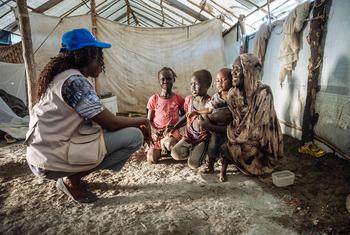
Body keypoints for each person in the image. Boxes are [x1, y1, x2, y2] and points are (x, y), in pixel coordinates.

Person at [25, 28, 152, 203]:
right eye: (98, 56)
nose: (101, 62)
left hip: (42, 156)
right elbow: (112, 124)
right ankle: (71, 180)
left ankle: (71, 176)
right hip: (49, 162)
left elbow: (102, 121)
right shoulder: (75, 82)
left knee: (111, 133)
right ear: (87, 56)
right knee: (134, 136)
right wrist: (143, 120)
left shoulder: (60, 77)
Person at [221, 53, 283, 180]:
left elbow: (258, 128)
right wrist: (235, 134)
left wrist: (236, 137)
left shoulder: (263, 92)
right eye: (232, 69)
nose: (233, 73)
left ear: (248, 71)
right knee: (227, 147)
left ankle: (258, 164)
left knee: (248, 150)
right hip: (244, 135)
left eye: (237, 70)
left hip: (262, 139)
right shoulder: (232, 93)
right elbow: (236, 120)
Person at [189, 68, 233, 179]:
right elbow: (208, 109)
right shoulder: (216, 97)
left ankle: (223, 172)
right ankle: (210, 166)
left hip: (228, 130)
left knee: (225, 150)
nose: (221, 83)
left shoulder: (233, 96)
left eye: (224, 80)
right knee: (212, 148)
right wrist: (197, 111)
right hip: (215, 129)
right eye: (218, 80)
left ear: (232, 80)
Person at [170, 70, 212, 169]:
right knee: (175, 153)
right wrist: (175, 127)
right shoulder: (189, 99)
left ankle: (202, 151)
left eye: (196, 84)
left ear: (207, 85)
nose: (192, 87)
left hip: (202, 139)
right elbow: (186, 116)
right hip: (188, 137)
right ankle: (195, 151)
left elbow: (210, 121)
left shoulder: (210, 103)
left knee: (193, 164)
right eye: (191, 84)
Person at [146, 67, 185, 164]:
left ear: (173, 80)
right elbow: (149, 120)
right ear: (159, 81)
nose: (165, 81)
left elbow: (186, 117)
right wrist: (155, 131)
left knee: (171, 144)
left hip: (171, 132)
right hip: (157, 134)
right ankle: (162, 148)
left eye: (169, 78)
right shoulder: (154, 99)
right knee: (151, 159)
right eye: (162, 79)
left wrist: (174, 127)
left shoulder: (179, 99)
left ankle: (167, 147)